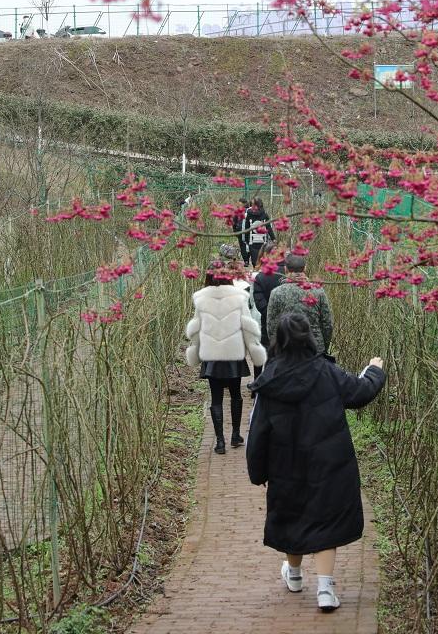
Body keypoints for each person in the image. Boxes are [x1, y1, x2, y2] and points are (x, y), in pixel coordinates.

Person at [246, 312, 385, 612]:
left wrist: (258, 472)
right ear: (309, 336)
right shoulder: (326, 372)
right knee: (326, 520)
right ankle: (325, 589)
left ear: (278, 340)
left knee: (291, 517)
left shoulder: (268, 382)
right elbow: (360, 392)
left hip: (285, 466)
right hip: (328, 463)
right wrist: (374, 371)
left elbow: (258, 431)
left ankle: (294, 575)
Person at [185, 259, 266, 454]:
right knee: (236, 395)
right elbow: (247, 326)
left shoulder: (201, 299)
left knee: (216, 398)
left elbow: (196, 327)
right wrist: (253, 349)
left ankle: (219, 441)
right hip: (233, 353)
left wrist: (194, 350)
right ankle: (235, 435)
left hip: (211, 354)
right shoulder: (238, 298)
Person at [266, 251, 334, 356]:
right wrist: (323, 347)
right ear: (305, 268)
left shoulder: (276, 293)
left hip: (287, 349)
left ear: (285, 269)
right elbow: (327, 324)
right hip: (315, 350)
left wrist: (277, 348)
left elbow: (271, 326)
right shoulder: (318, 291)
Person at [251, 249, 284, 379]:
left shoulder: (260, 277)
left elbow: (257, 300)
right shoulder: (286, 275)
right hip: (284, 321)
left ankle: (257, 381)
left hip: (262, 319)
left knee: (261, 351)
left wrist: (268, 314)